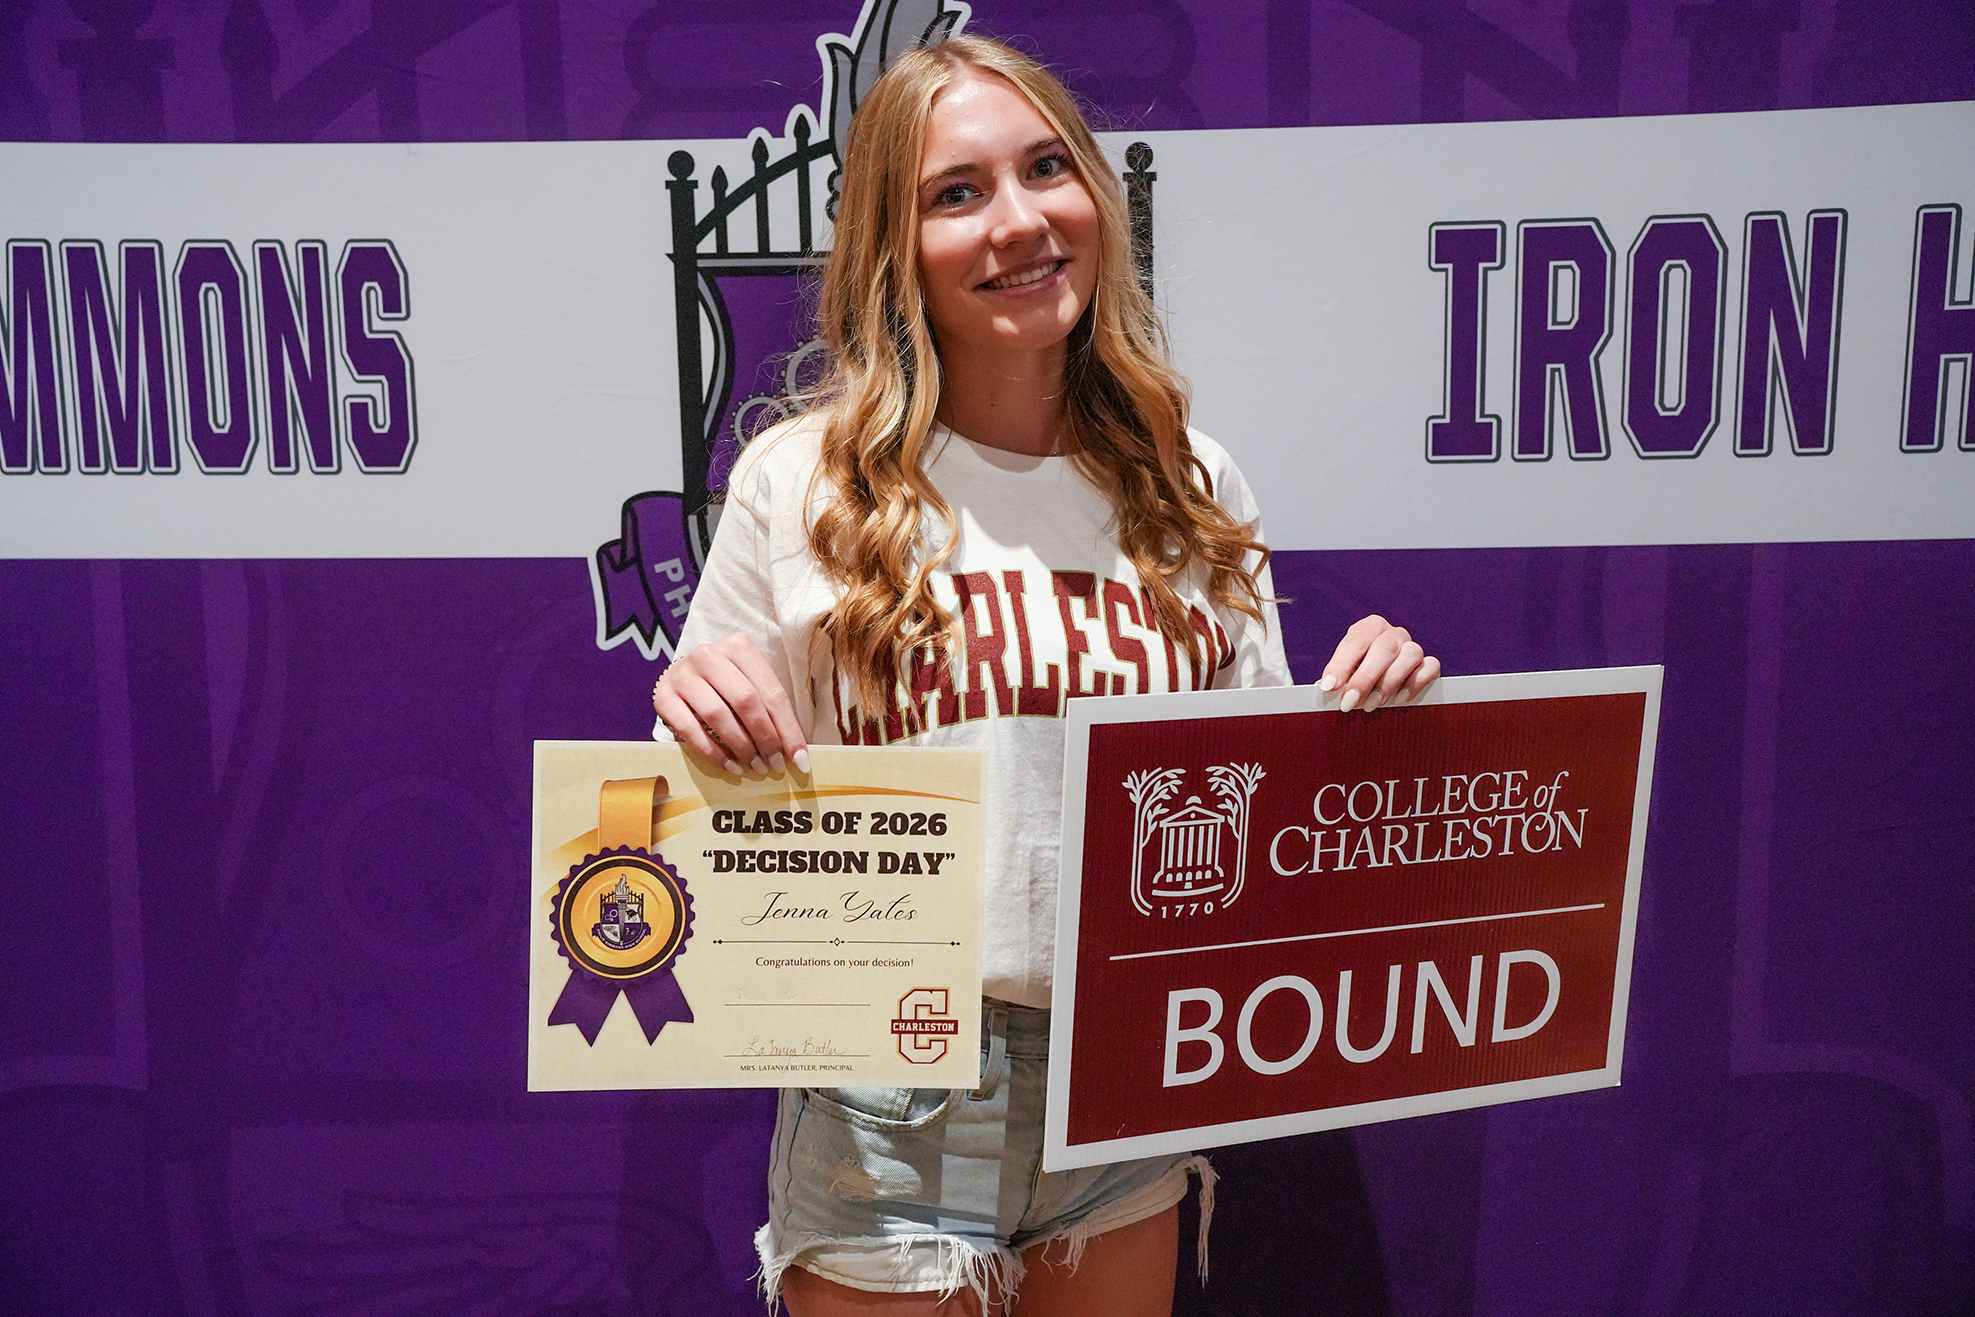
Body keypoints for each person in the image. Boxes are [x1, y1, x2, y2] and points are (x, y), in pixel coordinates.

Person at [651, 34, 1439, 1316]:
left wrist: (1358, 716)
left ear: (1097, 198)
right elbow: (715, 812)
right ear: (889, 248)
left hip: (1125, 1077)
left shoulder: (1190, 482)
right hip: (889, 1086)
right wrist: (692, 719)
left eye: (1045, 169)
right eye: (956, 194)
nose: (1018, 221)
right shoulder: (800, 483)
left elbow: (1253, 807)